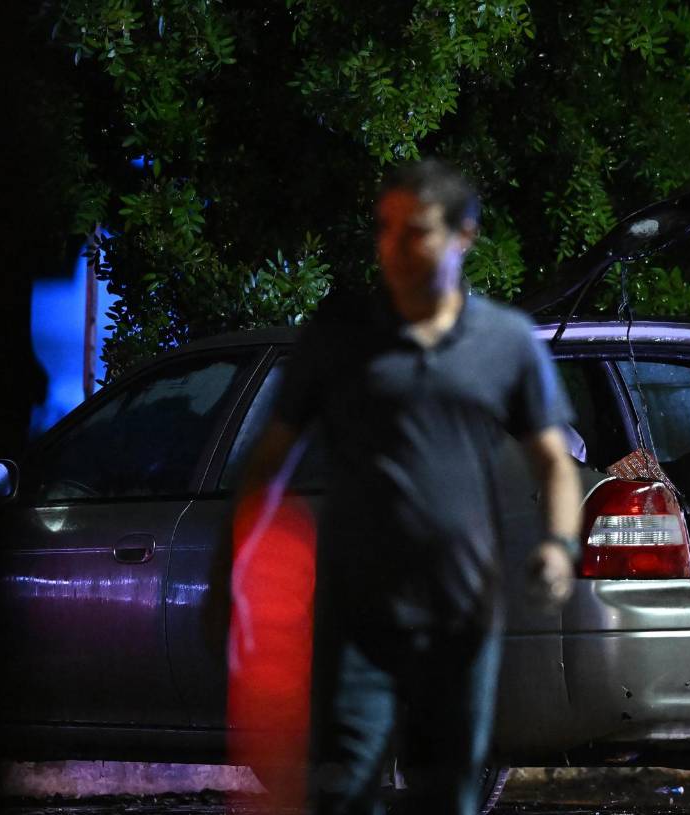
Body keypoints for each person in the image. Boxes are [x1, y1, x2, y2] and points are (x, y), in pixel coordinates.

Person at [234, 157, 582, 815]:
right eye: (384, 228)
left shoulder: (505, 343)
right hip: (356, 616)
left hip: (460, 616)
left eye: (415, 230)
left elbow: (555, 461)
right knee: (339, 792)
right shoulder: (340, 338)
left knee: (447, 796)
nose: (393, 246)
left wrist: (559, 545)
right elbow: (268, 459)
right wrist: (239, 566)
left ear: (463, 237)